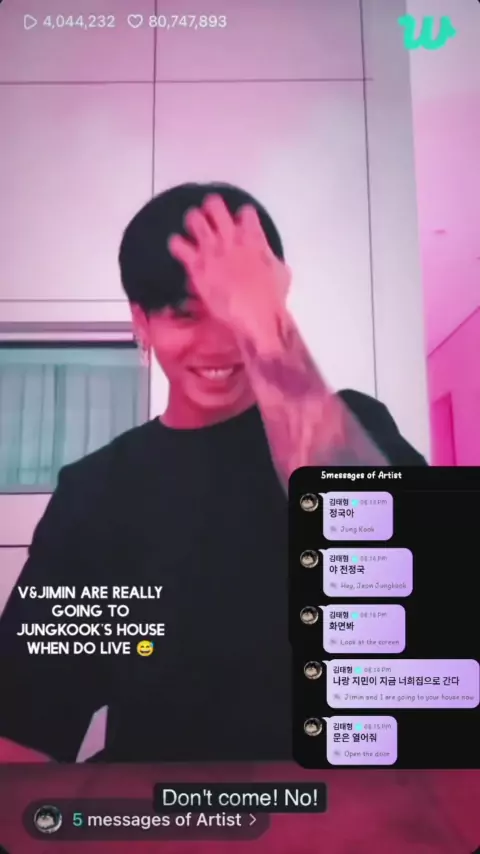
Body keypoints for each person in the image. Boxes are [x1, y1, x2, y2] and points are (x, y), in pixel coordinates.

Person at [0, 182, 427, 763]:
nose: (220, 344)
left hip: (344, 802)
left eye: (237, 312)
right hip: (162, 811)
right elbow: (24, 721)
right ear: (142, 322)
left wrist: (267, 326)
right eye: (185, 315)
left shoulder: (351, 424)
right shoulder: (98, 493)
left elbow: (397, 571)